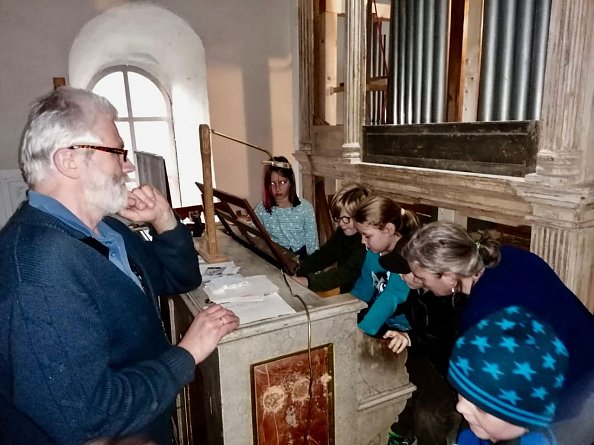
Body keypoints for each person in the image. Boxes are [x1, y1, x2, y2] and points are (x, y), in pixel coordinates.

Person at [0, 87, 239, 445]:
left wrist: (164, 221)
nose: (127, 166)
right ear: (69, 160)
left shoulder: (104, 227)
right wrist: (186, 354)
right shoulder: (40, 267)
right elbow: (87, 417)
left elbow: (179, 278)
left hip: (142, 426)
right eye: (117, 152)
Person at [402, 221, 594, 425]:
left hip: (571, 400)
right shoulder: (509, 255)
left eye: (421, 277)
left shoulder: (482, 315)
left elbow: (498, 398)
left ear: (449, 276)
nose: (417, 281)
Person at [379, 247, 465, 445]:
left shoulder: (450, 299)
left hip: (448, 368)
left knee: (428, 414)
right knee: (402, 387)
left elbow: (446, 335)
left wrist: (410, 338)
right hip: (426, 357)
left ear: (420, 275)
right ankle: (402, 432)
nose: (399, 277)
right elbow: (399, 309)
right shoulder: (415, 292)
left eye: (403, 272)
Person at [448, 306, 569, 444]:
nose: (460, 407)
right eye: (461, 393)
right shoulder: (470, 436)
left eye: (481, 408)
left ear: (524, 419)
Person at [350, 195, 420, 336]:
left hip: (408, 330)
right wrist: (344, 315)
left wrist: (361, 330)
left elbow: (392, 295)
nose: (363, 241)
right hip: (381, 322)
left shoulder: (405, 257)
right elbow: (363, 288)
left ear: (388, 229)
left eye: (367, 236)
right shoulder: (373, 253)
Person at [292, 183, 371, 293]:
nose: (341, 224)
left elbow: (345, 273)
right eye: (338, 218)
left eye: (346, 218)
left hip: (359, 296)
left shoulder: (365, 242)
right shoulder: (342, 233)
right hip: (346, 292)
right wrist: (297, 268)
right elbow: (322, 256)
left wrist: (309, 282)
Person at [254, 156, 318, 257]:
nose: (277, 188)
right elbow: (253, 237)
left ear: (291, 181)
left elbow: (312, 246)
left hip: (300, 262)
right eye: (272, 183)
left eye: (283, 182)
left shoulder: (305, 208)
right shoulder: (261, 209)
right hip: (274, 259)